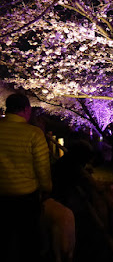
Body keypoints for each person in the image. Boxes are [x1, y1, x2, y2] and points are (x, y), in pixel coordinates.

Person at [0, 93, 52, 262]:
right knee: (28, 240)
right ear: (25, 109)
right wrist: (46, 189)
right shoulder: (34, 134)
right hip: (26, 198)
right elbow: (42, 167)